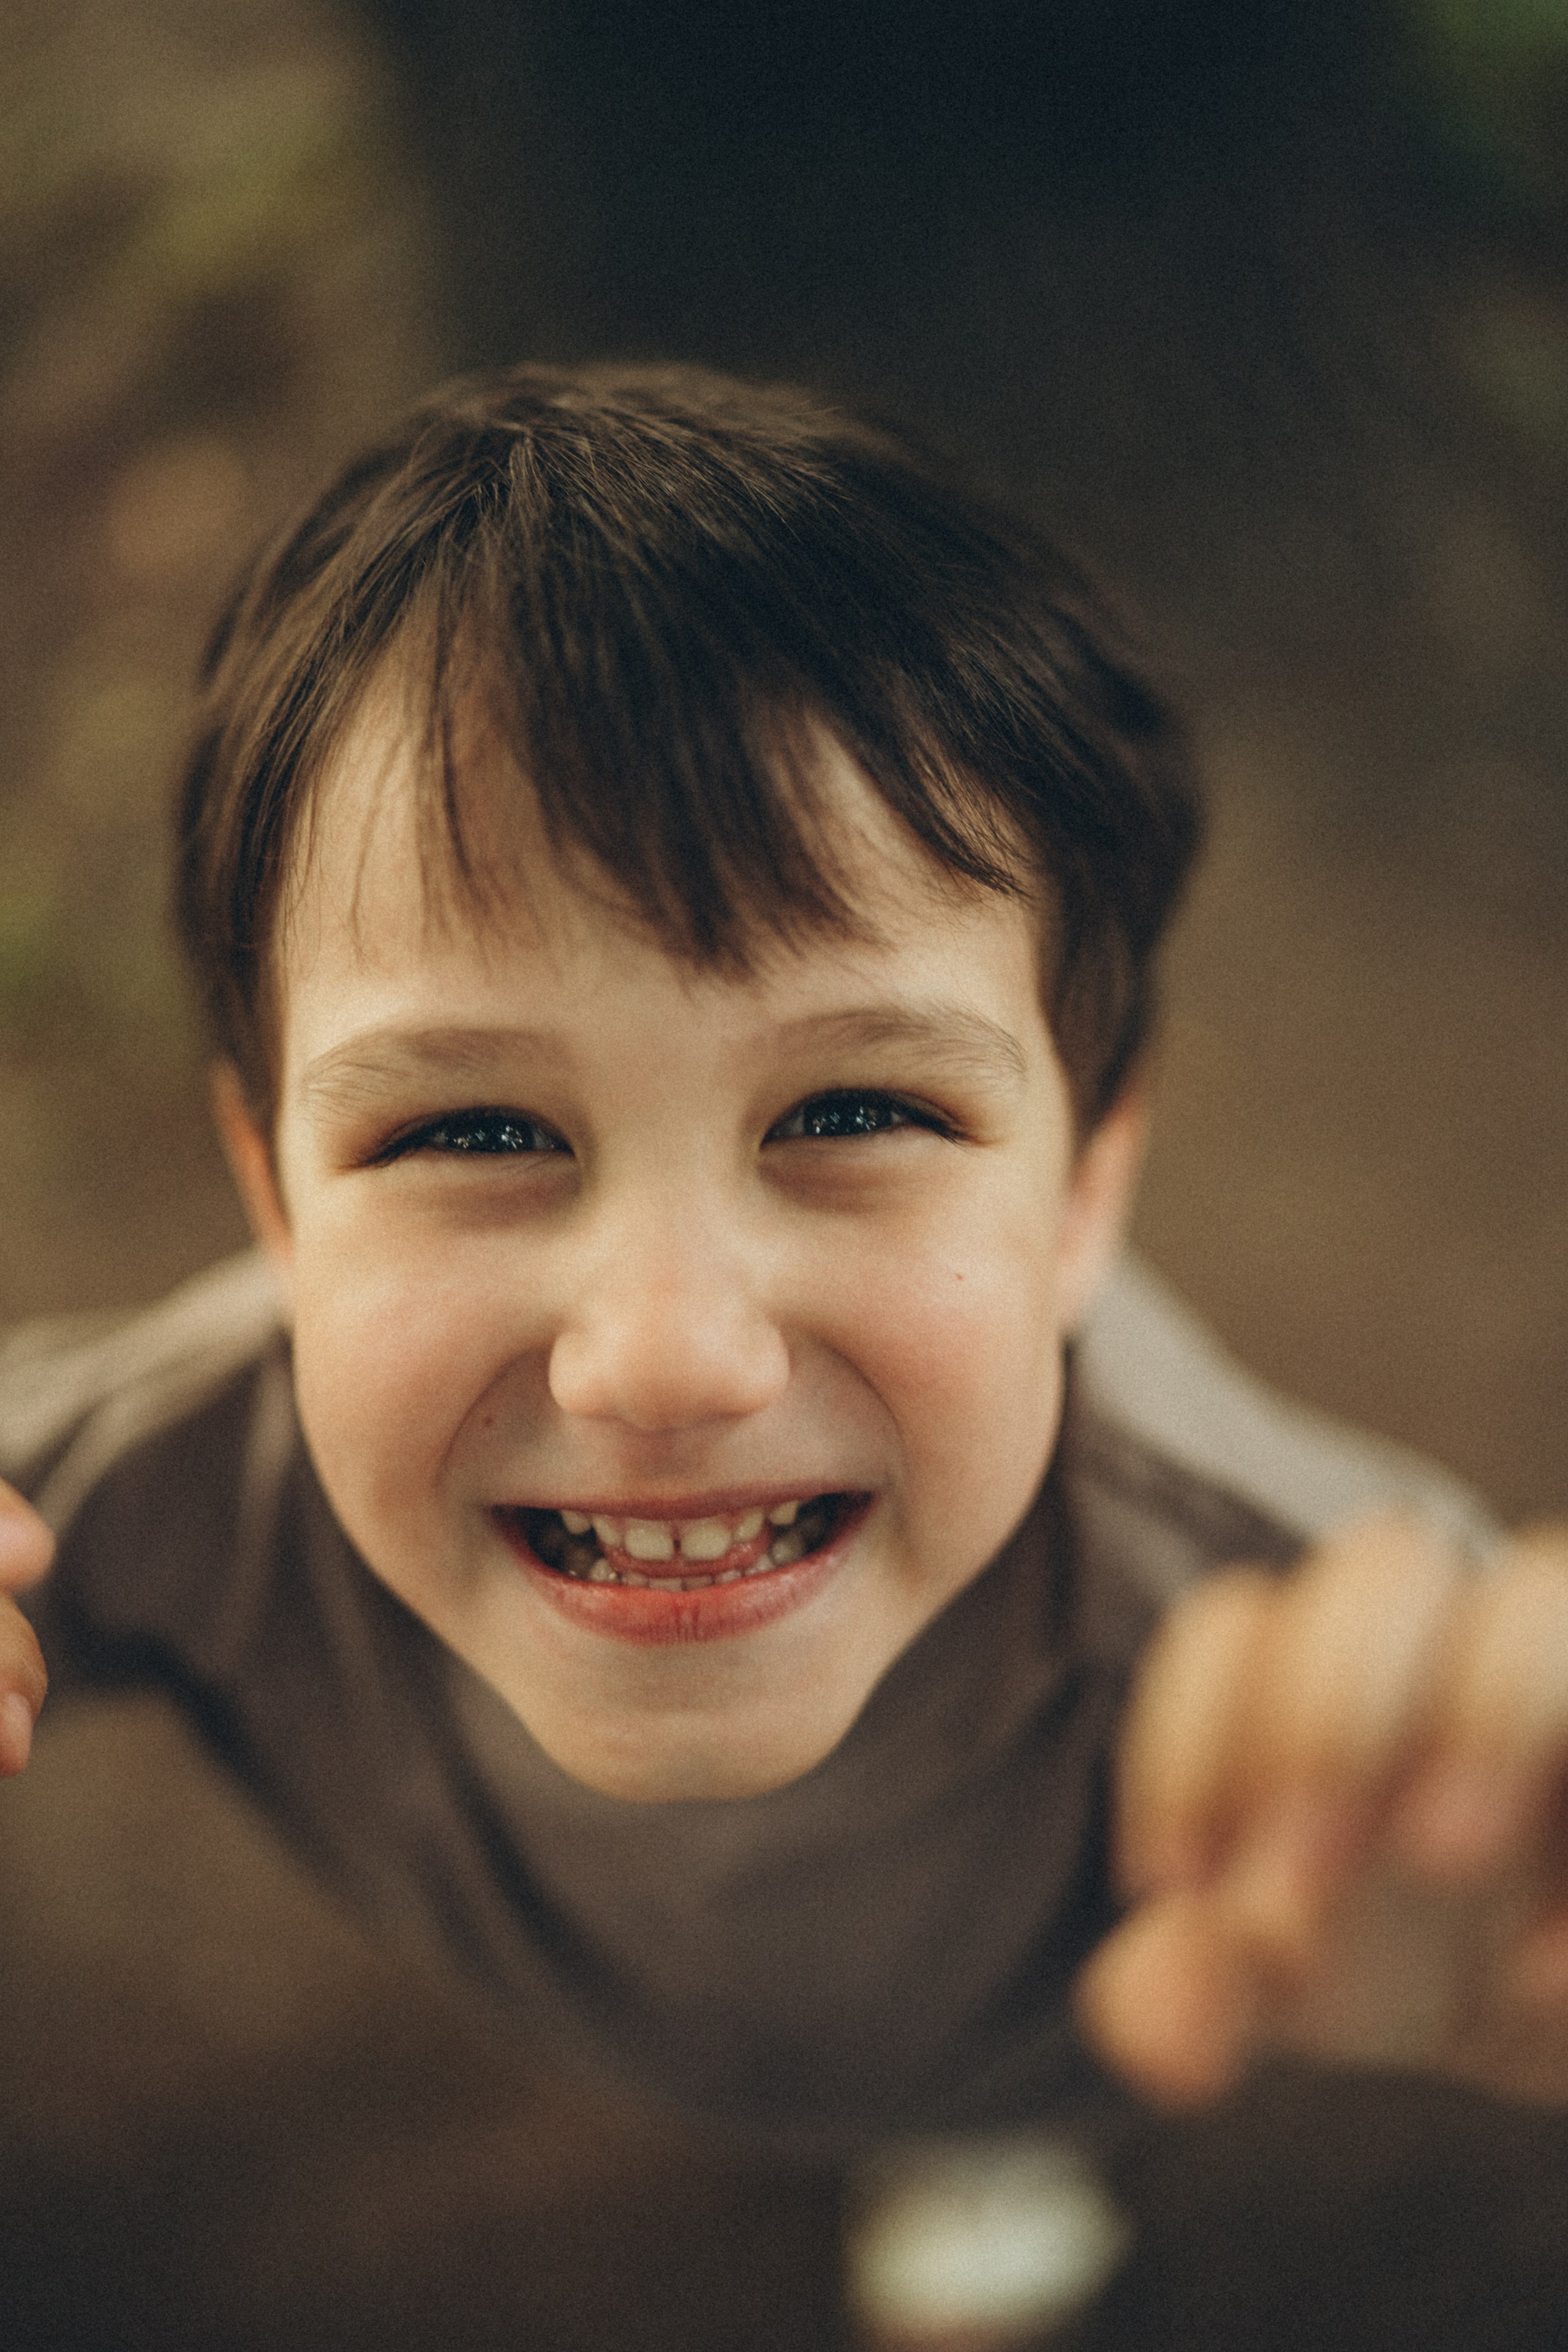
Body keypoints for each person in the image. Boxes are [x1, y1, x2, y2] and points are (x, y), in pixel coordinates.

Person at [1, 361, 1564, 2150]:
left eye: (852, 1114)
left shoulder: (1290, 1654)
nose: (668, 1357)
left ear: (1082, 1198)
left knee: (999, 2126)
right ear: (272, 1202)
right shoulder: (151, 1473)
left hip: (1052, 2048)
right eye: (471, 1133)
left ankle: (971, 2164)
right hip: (627, 2026)